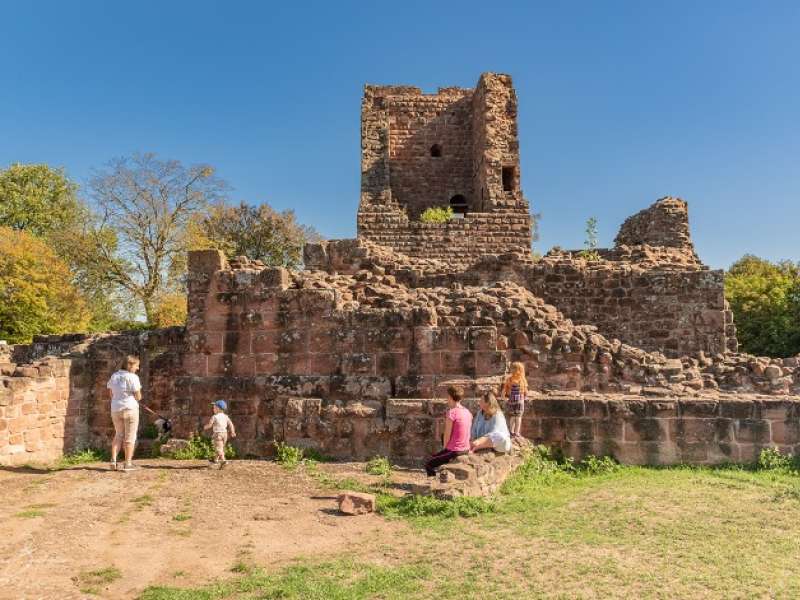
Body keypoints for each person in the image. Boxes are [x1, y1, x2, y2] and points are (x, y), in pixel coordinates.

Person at [424, 385, 473, 477]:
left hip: (455, 450)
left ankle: (432, 482)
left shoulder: (452, 413)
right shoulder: (467, 412)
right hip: (466, 449)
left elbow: (447, 434)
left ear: (450, 397)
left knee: (428, 463)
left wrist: (445, 450)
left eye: (447, 396)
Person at [107, 355, 142, 472]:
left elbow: (111, 394)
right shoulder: (133, 377)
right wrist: (134, 398)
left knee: (118, 434)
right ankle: (128, 464)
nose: (138, 368)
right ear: (130, 365)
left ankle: (113, 461)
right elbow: (138, 396)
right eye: (137, 366)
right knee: (130, 437)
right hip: (130, 408)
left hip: (115, 409)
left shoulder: (114, 376)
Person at [203, 400, 236, 469]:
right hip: (225, 434)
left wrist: (205, 427)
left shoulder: (214, 417)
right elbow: (231, 424)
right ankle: (215, 460)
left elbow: (210, 425)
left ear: (218, 409)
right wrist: (232, 432)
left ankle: (224, 461)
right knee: (220, 448)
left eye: (214, 408)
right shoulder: (226, 416)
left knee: (218, 449)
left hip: (218, 434)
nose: (213, 409)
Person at [502, 361, 528, 438]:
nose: (512, 370)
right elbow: (505, 388)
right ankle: (513, 432)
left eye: (514, 368)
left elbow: (525, 389)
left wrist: (526, 396)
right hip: (515, 400)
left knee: (516, 417)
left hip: (517, 400)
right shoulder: (511, 379)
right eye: (512, 368)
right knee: (515, 417)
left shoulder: (521, 380)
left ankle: (515, 432)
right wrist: (503, 395)